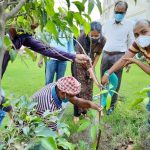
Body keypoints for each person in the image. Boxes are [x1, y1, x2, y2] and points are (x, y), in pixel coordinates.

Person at [101, 19, 150, 126]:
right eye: (136, 35)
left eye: (144, 32)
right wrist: (108, 73)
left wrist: (136, 62)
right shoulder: (138, 45)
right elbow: (124, 59)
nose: (140, 37)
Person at [31, 76, 102, 131]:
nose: (73, 98)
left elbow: (76, 101)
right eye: (71, 95)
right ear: (62, 93)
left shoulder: (58, 87)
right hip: (32, 122)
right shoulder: (49, 107)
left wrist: (92, 105)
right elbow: (51, 132)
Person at [101, 1, 134, 114]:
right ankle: (103, 103)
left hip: (120, 56)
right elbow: (102, 39)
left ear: (125, 12)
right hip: (105, 55)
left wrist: (128, 62)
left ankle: (111, 106)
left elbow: (131, 43)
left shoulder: (129, 24)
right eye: (116, 12)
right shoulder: (107, 23)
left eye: (121, 12)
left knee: (115, 83)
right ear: (113, 10)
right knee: (103, 80)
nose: (118, 14)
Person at [72, 21, 106, 123]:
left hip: (90, 63)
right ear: (88, 32)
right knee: (79, 89)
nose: (94, 37)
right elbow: (82, 59)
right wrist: (96, 80)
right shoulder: (81, 38)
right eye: (92, 35)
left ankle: (84, 112)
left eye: (97, 36)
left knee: (88, 90)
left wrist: (93, 68)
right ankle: (76, 114)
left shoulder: (103, 40)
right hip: (79, 63)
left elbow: (98, 55)